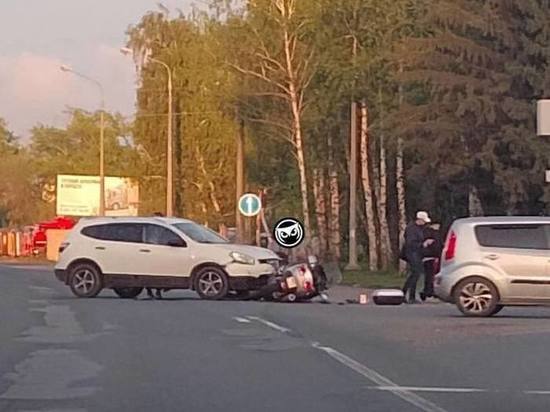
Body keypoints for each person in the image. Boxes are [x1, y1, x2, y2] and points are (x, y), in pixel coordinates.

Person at [401, 211, 433, 304]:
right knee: (415, 273)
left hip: (416, 253)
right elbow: (410, 243)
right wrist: (423, 244)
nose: (425, 223)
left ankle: (407, 294)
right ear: (419, 220)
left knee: (415, 274)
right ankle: (408, 295)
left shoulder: (418, 228)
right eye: (424, 221)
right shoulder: (411, 229)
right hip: (412, 253)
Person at [420, 222, 442, 301]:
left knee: (429, 276)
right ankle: (429, 292)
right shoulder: (434, 233)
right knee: (431, 276)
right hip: (432, 256)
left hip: (428, 257)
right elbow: (437, 246)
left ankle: (427, 291)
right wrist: (438, 255)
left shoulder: (425, 232)